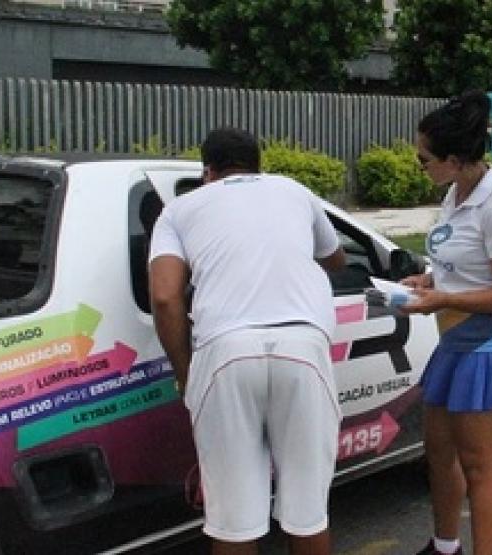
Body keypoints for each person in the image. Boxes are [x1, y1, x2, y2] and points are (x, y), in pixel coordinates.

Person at [148, 127, 346, 555]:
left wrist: (186, 375)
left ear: (208, 172)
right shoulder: (293, 191)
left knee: (234, 523)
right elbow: (336, 257)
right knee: (308, 511)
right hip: (302, 350)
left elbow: (164, 298)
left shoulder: (179, 211)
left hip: (225, 353)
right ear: (259, 165)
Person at [400, 91, 492, 555]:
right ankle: (445, 547)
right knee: (439, 457)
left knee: (480, 467)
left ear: (456, 159)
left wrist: (444, 296)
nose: (419, 164)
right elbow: (460, 261)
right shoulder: (455, 192)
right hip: (454, 345)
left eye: (425, 159)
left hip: (488, 352)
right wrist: (428, 279)